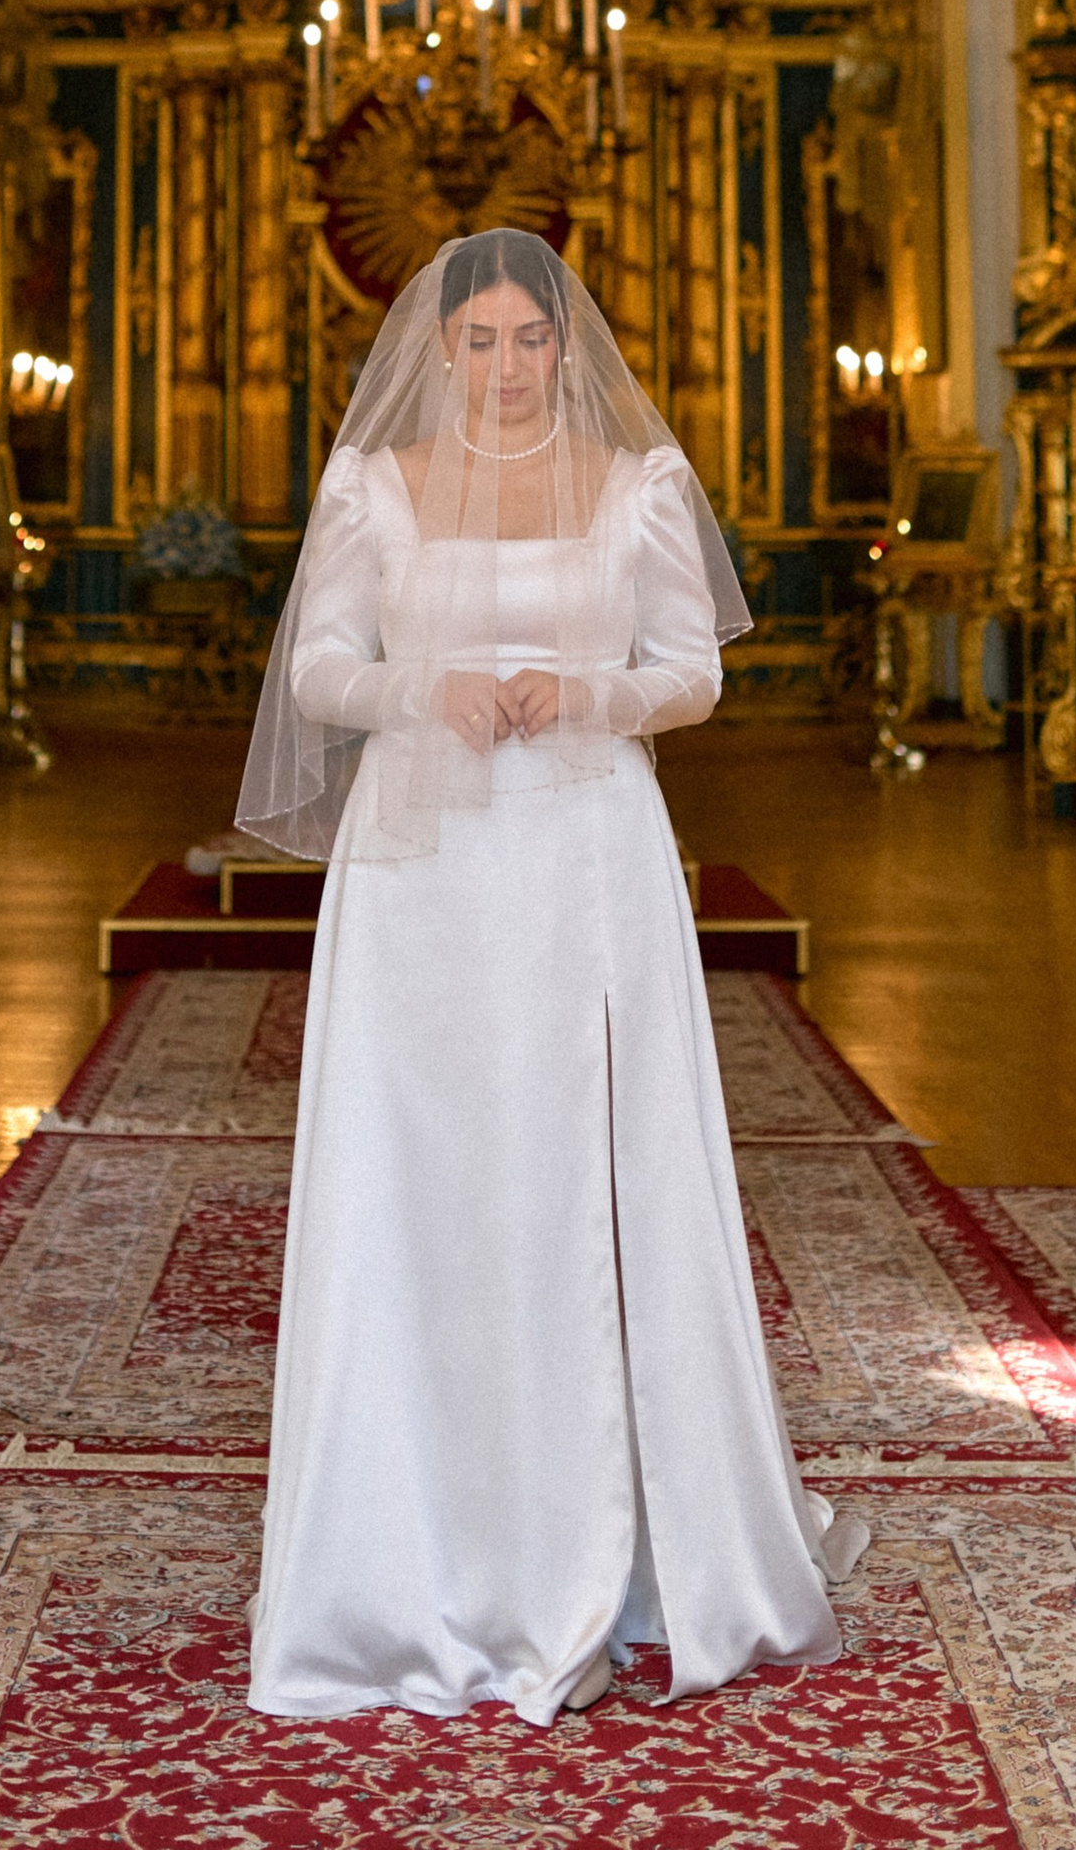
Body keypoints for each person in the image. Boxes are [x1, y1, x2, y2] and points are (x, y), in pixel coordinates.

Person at [241, 227, 862, 1725]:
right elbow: (318, 668)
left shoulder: (640, 484)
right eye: (483, 341)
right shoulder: (370, 487)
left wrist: (584, 690)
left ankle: (633, 1536)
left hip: (588, 850)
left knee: (594, 1166)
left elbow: (693, 672)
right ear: (441, 348)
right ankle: (403, 1541)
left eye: (532, 339)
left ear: (563, 346)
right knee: (426, 1173)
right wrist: (424, 685)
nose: (509, 367)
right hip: (421, 867)